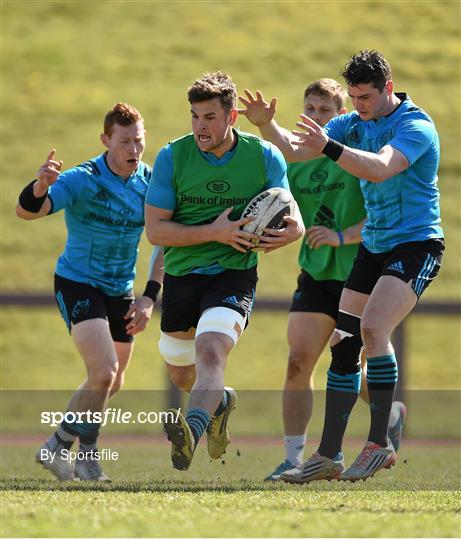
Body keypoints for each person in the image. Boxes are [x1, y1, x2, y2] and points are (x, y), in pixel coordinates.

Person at [239, 50, 443, 483]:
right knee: (343, 341)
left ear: (388, 88)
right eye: (353, 96)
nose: (358, 105)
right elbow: (297, 151)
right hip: (375, 246)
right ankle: (328, 454)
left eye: (365, 96)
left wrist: (328, 146)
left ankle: (378, 443)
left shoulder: (415, 125)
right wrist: (265, 125)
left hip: (416, 243)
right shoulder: (351, 122)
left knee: (372, 330)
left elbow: (383, 168)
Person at [145, 71, 304, 471]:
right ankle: (220, 404)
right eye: (195, 116)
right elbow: (155, 231)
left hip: (233, 274)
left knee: (211, 352)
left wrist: (294, 229)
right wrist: (213, 231)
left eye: (210, 117)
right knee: (183, 375)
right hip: (181, 276)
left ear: (231, 116)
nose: (201, 126)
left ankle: (191, 434)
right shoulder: (172, 157)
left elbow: (288, 206)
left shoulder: (264, 156)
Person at [16, 103, 163, 481]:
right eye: (125, 141)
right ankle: (88, 459)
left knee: (112, 382)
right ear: (105, 140)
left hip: (121, 289)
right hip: (78, 281)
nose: (134, 149)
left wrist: (149, 296)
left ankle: (57, 444)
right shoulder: (82, 179)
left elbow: (166, 242)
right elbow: (28, 211)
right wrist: (40, 186)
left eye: (139, 141)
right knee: (103, 370)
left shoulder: (150, 184)